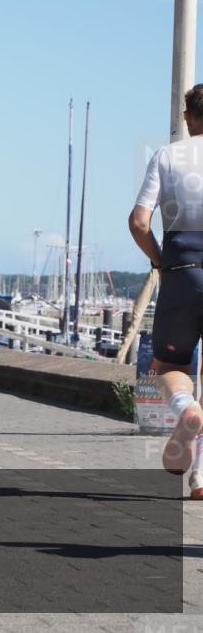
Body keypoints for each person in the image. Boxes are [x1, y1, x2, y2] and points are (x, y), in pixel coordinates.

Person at [128, 83, 203, 491]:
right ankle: (200, 477)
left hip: (182, 271)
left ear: (188, 118)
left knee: (170, 367)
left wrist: (160, 261)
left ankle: (185, 407)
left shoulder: (168, 156)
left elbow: (139, 222)